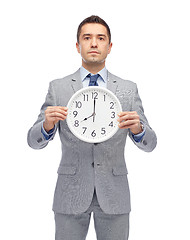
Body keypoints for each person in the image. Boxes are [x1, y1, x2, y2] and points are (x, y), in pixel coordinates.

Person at [27, 15, 157, 240]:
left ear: (109, 47)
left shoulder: (128, 89)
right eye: (87, 38)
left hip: (114, 194)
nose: (94, 43)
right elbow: (32, 141)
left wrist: (138, 129)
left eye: (100, 38)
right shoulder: (58, 88)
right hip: (71, 193)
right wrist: (47, 125)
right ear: (78, 46)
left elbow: (151, 144)